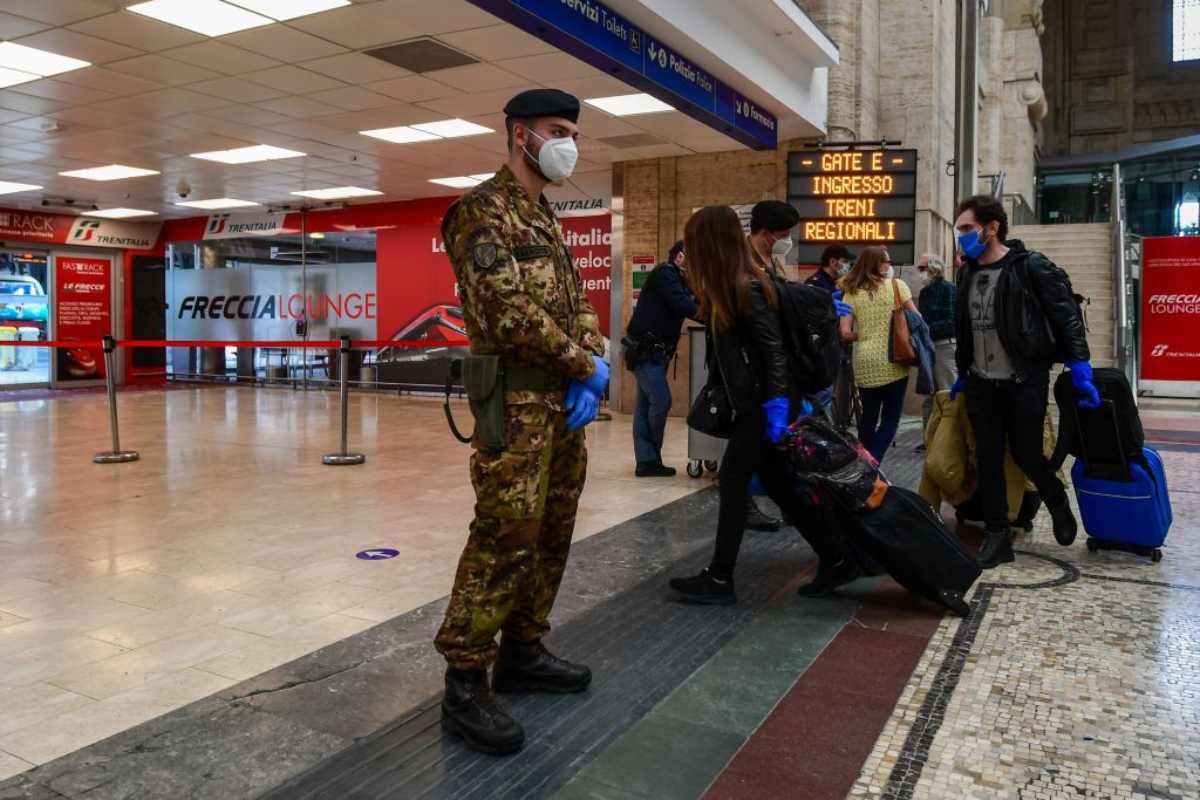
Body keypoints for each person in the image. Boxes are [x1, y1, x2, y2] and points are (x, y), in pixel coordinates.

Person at [434, 88, 610, 756]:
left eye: (574, 131)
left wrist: (588, 358)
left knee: (553, 529)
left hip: (562, 405)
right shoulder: (481, 213)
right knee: (504, 535)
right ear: (518, 136)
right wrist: (580, 365)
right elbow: (505, 313)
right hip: (516, 404)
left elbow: (578, 303)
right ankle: (465, 677)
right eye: (557, 130)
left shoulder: (545, 216)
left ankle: (524, 649)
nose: (569, 143)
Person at [668, 206, 855, 603]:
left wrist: (773, 409)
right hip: (764, 404)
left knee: (735, 482)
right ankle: (837, 557)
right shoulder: (734, 283)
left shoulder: (745, 285)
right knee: (780, 485)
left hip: (764, 406)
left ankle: (721, 578)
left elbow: (772, 353)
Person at [949, 194, 1098, 569]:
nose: (961, 235)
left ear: (992, 227)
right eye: (960, 229)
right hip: (982, 383)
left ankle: (1056, 499)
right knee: (986, 457)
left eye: (967, 228)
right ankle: (998, 534)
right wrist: (964, 372)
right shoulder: (966, 273)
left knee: (1027, 454)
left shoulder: (1030, 266)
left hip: (1023, 380)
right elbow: (964, 329)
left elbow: (1065, 316)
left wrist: (1080, 364)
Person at [738, 200, 803, 530]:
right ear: (764, 233)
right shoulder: (744, 266)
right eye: (783, 233)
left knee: (772, 455)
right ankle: (750, 506)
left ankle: (793, 508)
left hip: (776, 373)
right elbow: (764, 334)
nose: (787, 239)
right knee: (752, 455)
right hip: (757, 374)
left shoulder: (771, 262)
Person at [838, 246, 918, 464]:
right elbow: (917, 319)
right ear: (878, 264)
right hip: (894, 361)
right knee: (890, 419)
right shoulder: (897, 286)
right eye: (887, 262)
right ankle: (872, 465)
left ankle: (863, 464)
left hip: (864, 363)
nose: (890, 266)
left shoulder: (851, 292)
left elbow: (844, 333)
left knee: (868, 418)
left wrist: (863, 335)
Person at [625, 240, 698, 477]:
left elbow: (692, 302)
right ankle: (650, 456)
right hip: (646, 352)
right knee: (662, 400)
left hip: (656, 354)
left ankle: (646, 461)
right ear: (680, 256)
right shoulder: (665, 273)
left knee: (645, 404)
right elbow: (685, 305)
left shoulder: (680, 280)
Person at [806, 244, 855, 414]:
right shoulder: (815, 284)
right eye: (845, 262)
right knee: (821, 400)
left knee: (828, 397)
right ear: (833, 262)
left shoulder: (837, 285)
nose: (847, 266)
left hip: (834, 347)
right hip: (820, 352)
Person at [916, 254, 958, 433]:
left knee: (947, 394)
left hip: (944, 346)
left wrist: (926, 330)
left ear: (934, 269)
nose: (920, 273)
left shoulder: (948, 289)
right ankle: (929, 436)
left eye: (922, 268)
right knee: (929, 395)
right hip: (928, 346)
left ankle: (950, 437)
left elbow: (951, 320)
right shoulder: (925, 293)